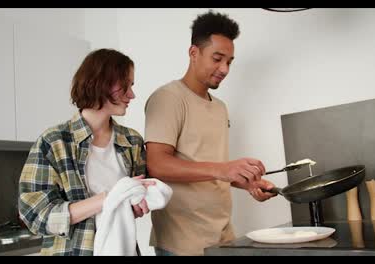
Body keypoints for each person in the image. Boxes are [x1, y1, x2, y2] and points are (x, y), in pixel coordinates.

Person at [144, 10, 277, 256]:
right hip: (181, 244)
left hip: (223, 237)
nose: (225, 68)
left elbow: (209, 168)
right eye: (217, 58)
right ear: (194, 53)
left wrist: (246, 182)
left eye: (229, 61)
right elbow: (156, 164)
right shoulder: (168, 99)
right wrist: (223, 169)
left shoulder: (219, 107)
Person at [18, 48, 153, 256]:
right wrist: (108, 198)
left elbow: (134, 202)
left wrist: (136, 204)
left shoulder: (132, 141)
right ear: (101, 83)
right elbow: (34, 214)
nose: (132, 94)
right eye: (125, 85)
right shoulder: (54, 142)